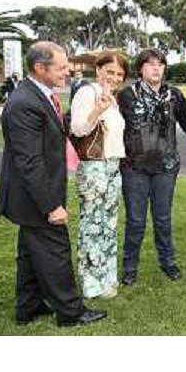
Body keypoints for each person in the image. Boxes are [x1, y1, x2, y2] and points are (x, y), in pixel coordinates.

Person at [0, 41, 106, 327]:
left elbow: (56, 129)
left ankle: (29, 307)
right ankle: (71, 313)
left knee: (30, 254)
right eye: (60, 67)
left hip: (29, 196)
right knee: (55, 252)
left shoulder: (38, 95)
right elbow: (29, 162)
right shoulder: (24, 103)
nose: (67, 71)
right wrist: (52, 206)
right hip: (35, 197)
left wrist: (94, 111)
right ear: (39, 68)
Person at [117, 48, 186, 286]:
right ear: (141, 69)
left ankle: (167, 262)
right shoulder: (126, 95)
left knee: (163, 218)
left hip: (166, 167)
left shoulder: (174, 95)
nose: (156, 68)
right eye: (150, 64)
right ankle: (129, 267)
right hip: (134, 167)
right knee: (135, 221)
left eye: (160, 64)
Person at [70, 51, 129, 299]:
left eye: (119, 74)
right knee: (92, 226)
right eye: (110, 72)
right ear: (98, 71)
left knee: (108, 225)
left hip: (113, 167)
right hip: (94, 167)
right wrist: (97, 110)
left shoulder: (113, 100)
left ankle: (107, 277)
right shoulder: (88, 92)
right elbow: (77, 128)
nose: (115, 78)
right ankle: (91, 283)